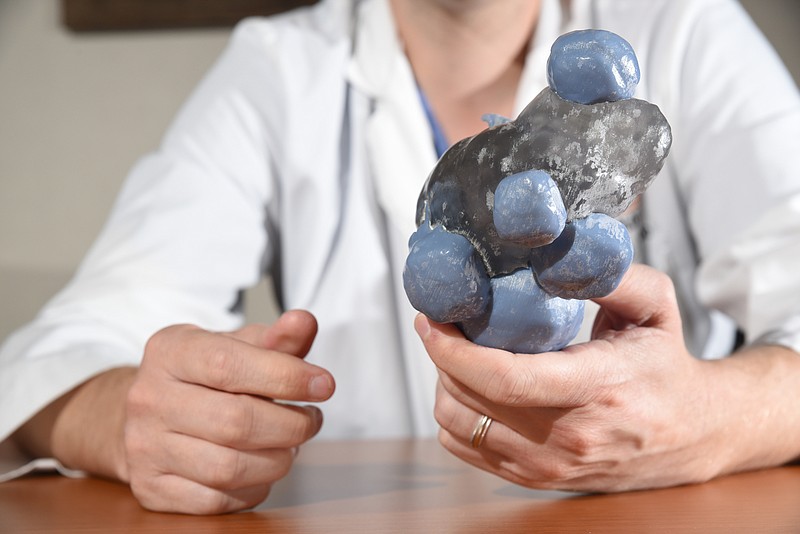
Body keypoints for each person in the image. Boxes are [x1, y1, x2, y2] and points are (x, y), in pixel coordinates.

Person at [1, 0, 799, 515]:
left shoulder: (687, 30)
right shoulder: (277, 72)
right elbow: (67, 351)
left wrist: (712, 417)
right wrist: (129, 418)